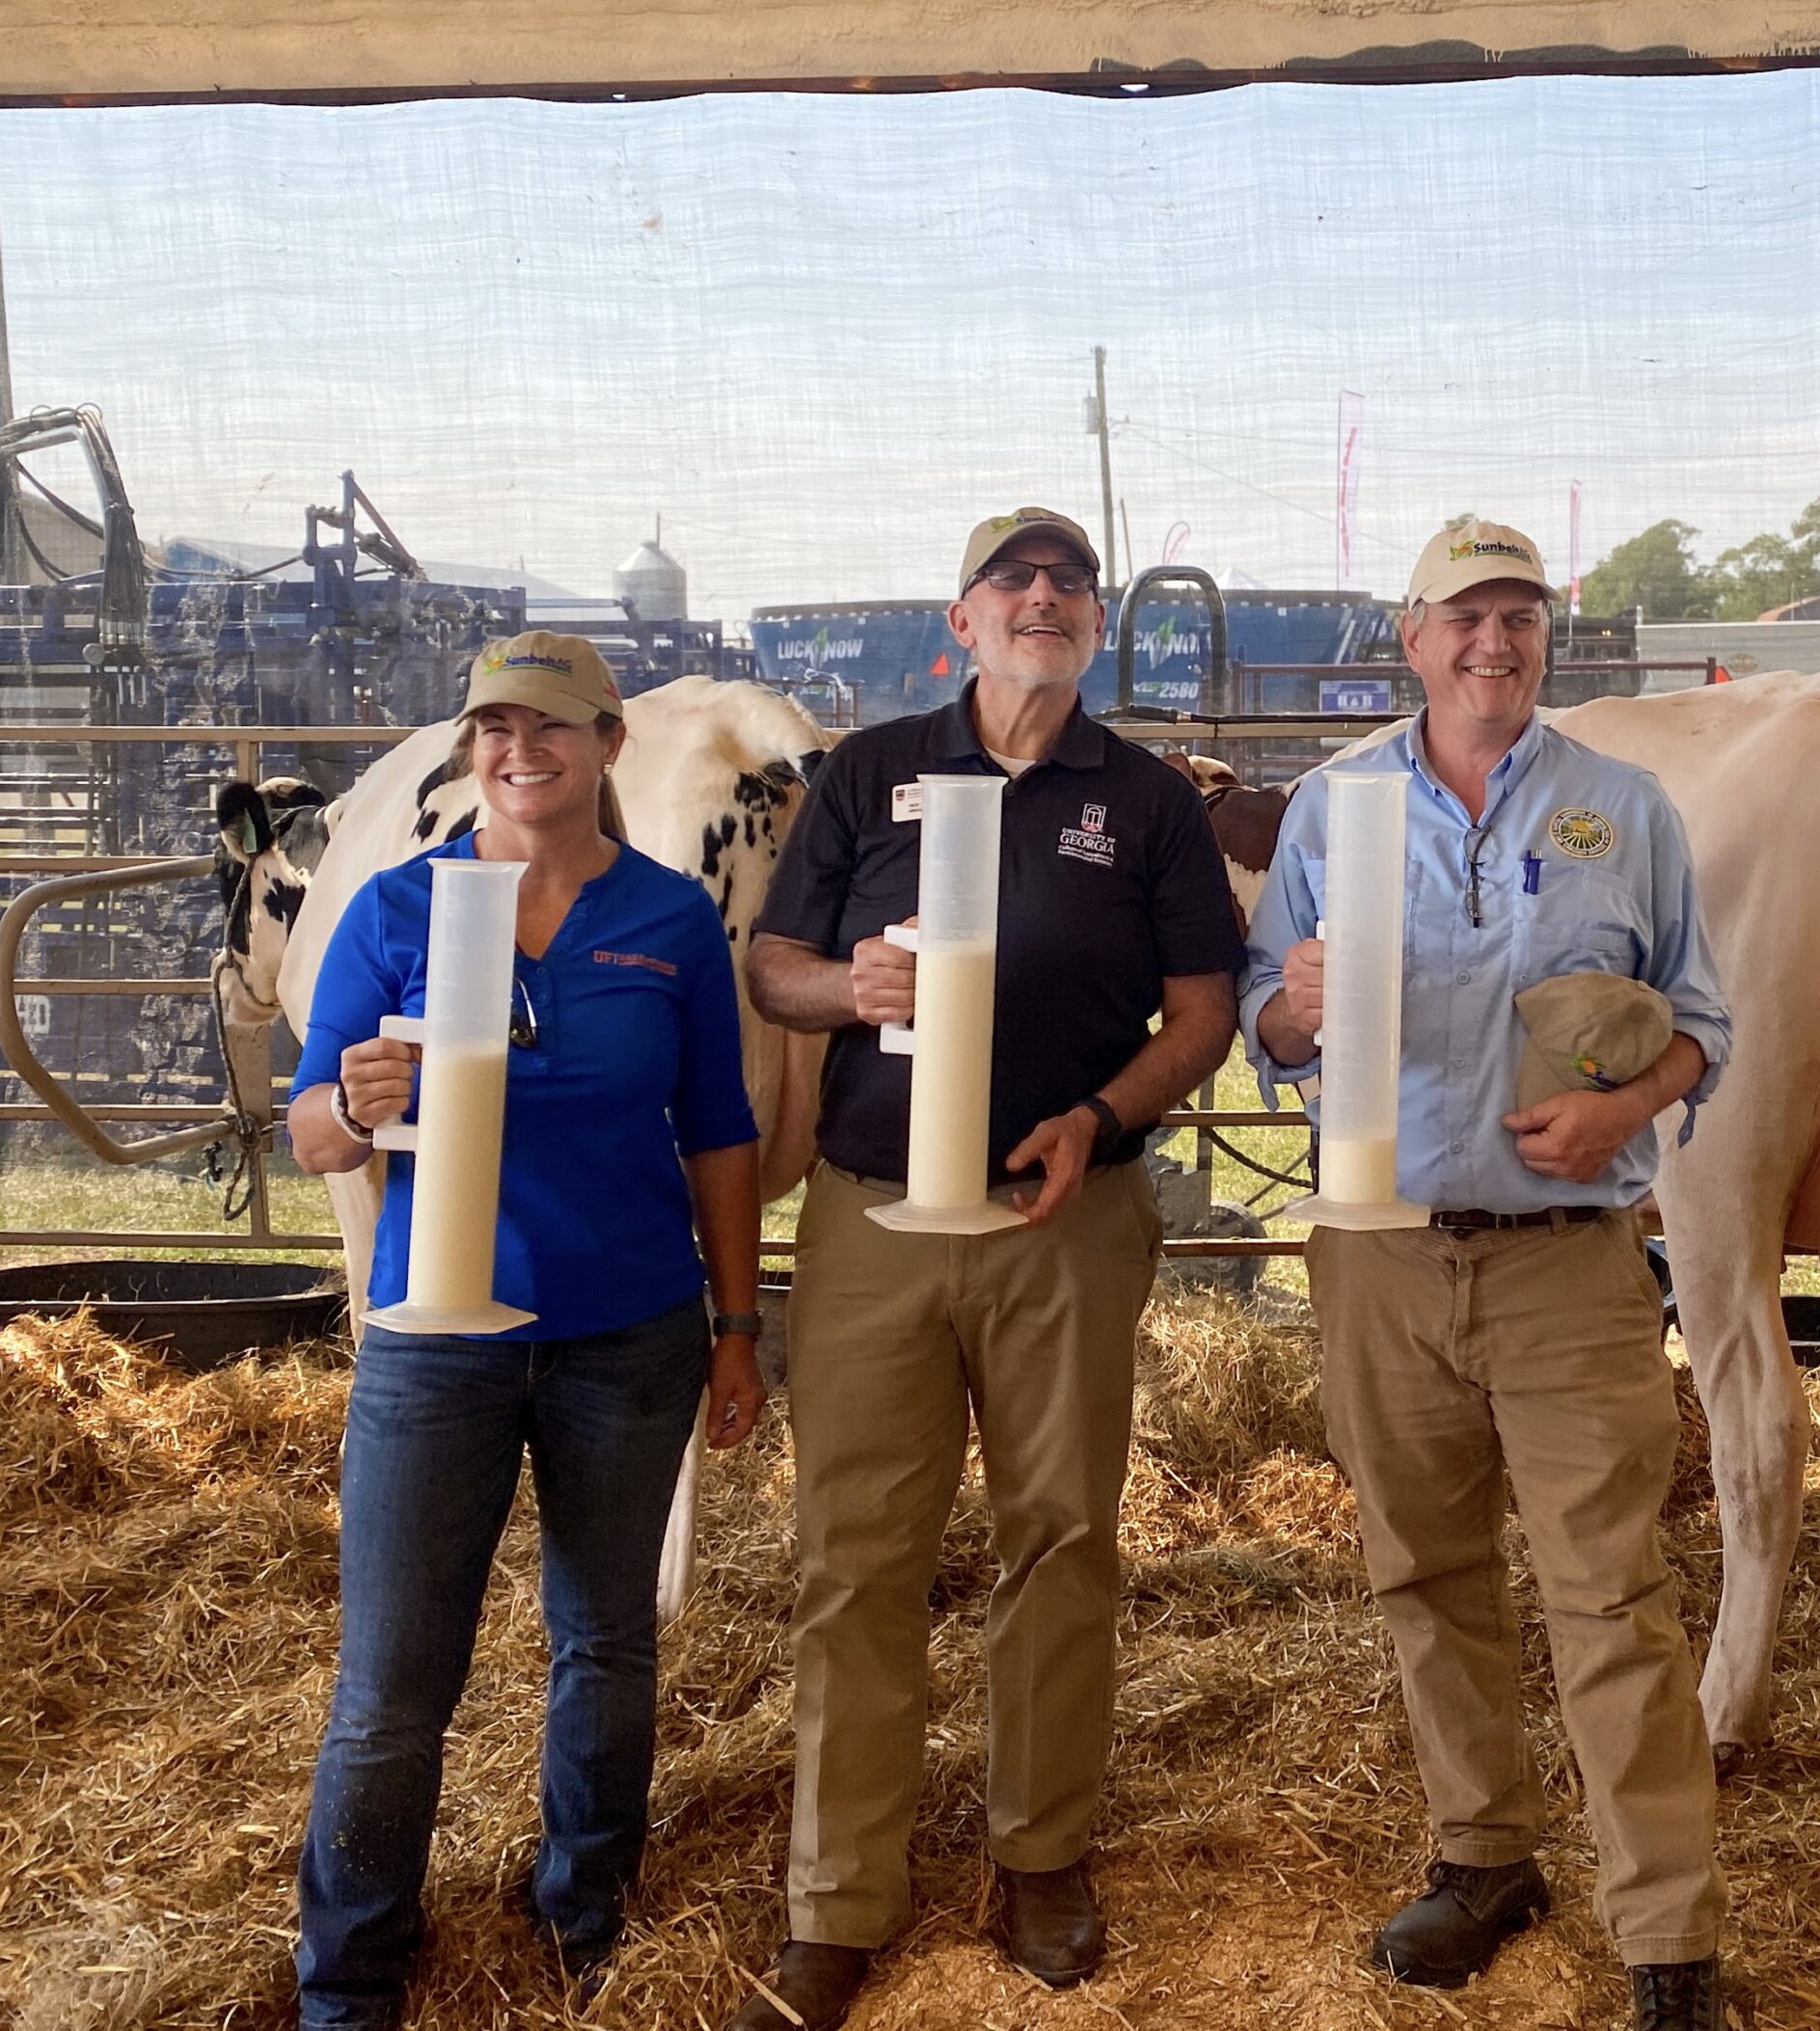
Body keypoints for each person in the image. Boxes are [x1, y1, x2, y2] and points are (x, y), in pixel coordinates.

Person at [728, 508, 1244, 2030]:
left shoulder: (1144, 800)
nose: (1042, 599)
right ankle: (840, 1896)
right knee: (857, 1554)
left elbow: (1204, 1011)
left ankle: (1042, 1851)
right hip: (874, 1214)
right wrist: (843, 981)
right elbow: (769, 963)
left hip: (1059, 1218)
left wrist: (1101, 1117)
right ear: (962, 617)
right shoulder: (869, 766)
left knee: (1063, 1535)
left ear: (1095, 626)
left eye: (1068, 583)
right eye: (1013, 580)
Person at [1241, 521, 1738, 2030]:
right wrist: (1294, 1008)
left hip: (1567, 1262)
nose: (1493, 643)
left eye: (1518, 616)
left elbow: (1701, 1021)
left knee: (1612, 1598)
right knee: (1425, 1573)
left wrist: (1623, 1105)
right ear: (1412, 636)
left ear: (1544, 638)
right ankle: (1484, 1855)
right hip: (1379, 1253)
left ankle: (1668, 1935)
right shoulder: (1334, 810)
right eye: (1465, 616)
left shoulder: (1625, 809)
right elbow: (1264, 1026)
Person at [286, 630, 770, 2030]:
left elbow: (721, 1137)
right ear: (471, 748)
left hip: (628, 1334)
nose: (521, 747)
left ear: (607, 746)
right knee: (391, 1676)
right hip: (436, 1346)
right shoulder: (396, 908)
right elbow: (311, 1127)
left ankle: (588, 1912)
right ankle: (351, 1967)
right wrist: (358, 1101)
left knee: (606, 1639)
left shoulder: (670, 921)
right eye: (496, 724)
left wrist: (736, 1325)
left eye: (552, 725)